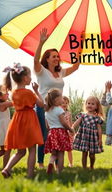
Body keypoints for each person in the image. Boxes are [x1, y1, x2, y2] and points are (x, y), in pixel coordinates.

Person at [34, 27, 80, 168]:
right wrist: (41, 43)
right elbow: (36, 60)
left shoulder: (60, 73)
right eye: (53, 56)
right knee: (44, 134)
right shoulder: (41, 72)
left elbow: (76, 66)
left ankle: (54, 161)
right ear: (47, 59)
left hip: (58, 109)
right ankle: (41, 162)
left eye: (57, 56)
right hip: (44, 107)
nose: (57, 58)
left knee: (59, 134)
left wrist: (79, 47)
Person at [1, 63, 44, 178]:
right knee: (32, 149)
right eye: (30, 76)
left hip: (17, 120)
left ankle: (7, 168)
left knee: (20, 152)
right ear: (25, 78)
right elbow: (42, 104)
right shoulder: (29, 93)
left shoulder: (13, 93)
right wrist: (36, 91)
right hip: (29, 120)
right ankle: (30, 174)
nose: (31, 78)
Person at [44, 89, 74, 174]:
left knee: (54, 154)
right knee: (61, 154)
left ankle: (50, 163)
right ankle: (59, 172)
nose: (62, 99)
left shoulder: (47, 112)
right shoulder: (59, 110)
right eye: (61, 97)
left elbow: (47, 126)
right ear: (56, 100)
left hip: (52, 133)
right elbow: (63, 122)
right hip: (61, 133)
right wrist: (70, 129)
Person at [73, 96, 104, 169]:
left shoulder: (97, 118)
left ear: (96, 106)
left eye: (92, 104)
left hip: (93, 138)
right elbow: (76, 123)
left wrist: (100, 139)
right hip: (84, 137)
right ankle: (84, 168)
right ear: (85, 104)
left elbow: (99, 129)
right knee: (84, 153)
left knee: (92, 155)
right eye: (88, 103)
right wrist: (72, 128)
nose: (90, 105)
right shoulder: (82, 115)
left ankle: (91, 166)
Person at [61, 96, 73, 167]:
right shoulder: (58, 113)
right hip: (61, 132)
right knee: (61, 150)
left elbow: (71, 124)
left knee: (69, 150)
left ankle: (70, 163)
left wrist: (72, 131)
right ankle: (60, 163)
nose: (64, 104)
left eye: (66, 103)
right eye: (62, 103)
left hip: (68, 133)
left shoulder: (69, 113)